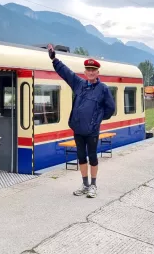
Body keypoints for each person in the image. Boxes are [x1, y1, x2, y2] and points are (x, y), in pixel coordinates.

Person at [47, 44, 115, 198]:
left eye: (93, 70)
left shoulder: (103, 89)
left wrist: (97, 119)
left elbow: (110, 108)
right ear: (85, 72)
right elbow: (66, 73)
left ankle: (93, 185)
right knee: (81, 157)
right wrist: (54, 59)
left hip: (92, 131)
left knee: (92, 156)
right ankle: (85, 184)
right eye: (88, 70)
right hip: (78, 129)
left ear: (97, 72)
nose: (90, 72)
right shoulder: (79, 84)